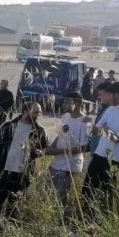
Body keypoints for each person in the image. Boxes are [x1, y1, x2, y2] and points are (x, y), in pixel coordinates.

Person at [0, 102, 49, 222]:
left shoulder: (40, 131)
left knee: (13, 206)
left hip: (23, 174)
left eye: (40, 112)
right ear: (26, 111)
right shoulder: (7, 126)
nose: (39, 115)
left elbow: (45, 150)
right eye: (35, 112)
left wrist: (35, 151)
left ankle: (8, 226)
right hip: (2, 170)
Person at [81, 81, 119, 216]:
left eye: (109, 95)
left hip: (115, 160)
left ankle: (103, 221)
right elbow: (95, 130)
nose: (107, 98)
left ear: (117, 95)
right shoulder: (111, 109)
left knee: (108, 194)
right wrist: (107, 131)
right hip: (99, 155)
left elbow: (117, 139)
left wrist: (105, 130)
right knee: (87, 189)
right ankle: (86, 218)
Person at [45, 91, 91, 219]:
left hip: (70, 165)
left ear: (77, 104)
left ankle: (64, 221)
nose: (63, 104)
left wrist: (59, 152)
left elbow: (84, 147)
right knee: (50, 193)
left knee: (63, 196)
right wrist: (51, 147)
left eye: (67, 102)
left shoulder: (85, 121)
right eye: (64, 101)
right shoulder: (66, 116)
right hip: (57, 162)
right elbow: (61, 135)